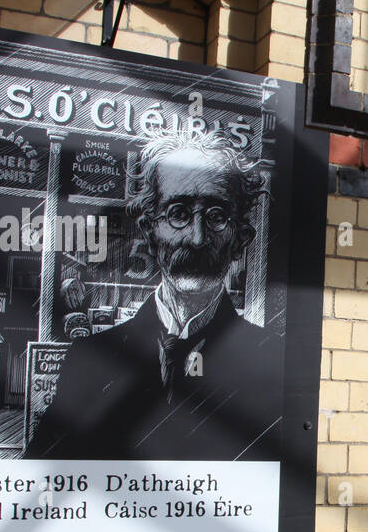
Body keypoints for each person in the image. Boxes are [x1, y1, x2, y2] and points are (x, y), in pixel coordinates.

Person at [26, 129, 282, 461]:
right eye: (178, 213)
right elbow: (43, 475)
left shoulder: (271, 361)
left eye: (217, 216)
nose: (197, 238)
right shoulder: (89, 358)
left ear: (241, 238)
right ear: (149, 232)